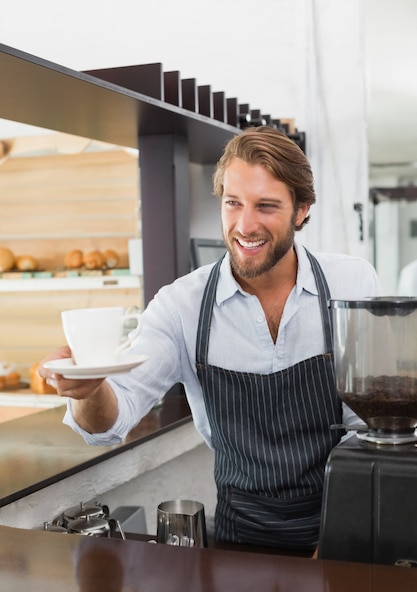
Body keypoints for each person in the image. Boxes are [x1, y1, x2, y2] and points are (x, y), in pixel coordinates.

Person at [39, 126, 381, 552]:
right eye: (233, 203)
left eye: (266, 206)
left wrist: (333, 543)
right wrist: (87, 390)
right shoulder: (181, 306)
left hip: (343, 525)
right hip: (241, 536)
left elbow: (370, 428)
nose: (245, 224)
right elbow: (109, 423)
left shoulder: (352, 282)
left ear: (302, 210)